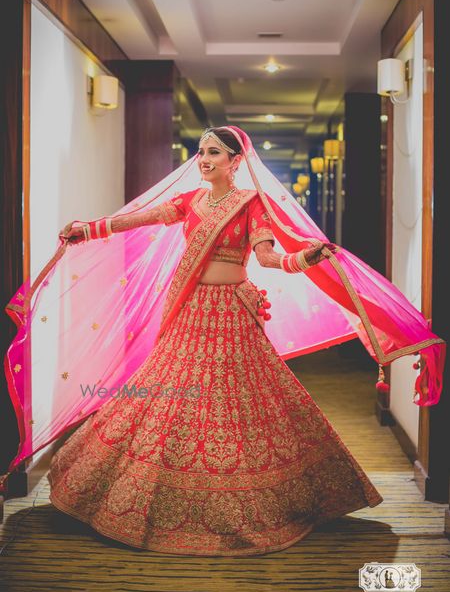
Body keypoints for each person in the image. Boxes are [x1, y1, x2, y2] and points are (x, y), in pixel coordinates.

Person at [45, 127, 384, 556]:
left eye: (214, 154)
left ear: (235, 162)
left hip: (231, 314)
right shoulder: (189, 202)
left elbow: (266, 258)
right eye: (201, 152)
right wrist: (89, 229)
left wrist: (304, 258)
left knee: (237, 402)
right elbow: (141, 218)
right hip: (190, 310)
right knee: (168, 397)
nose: (203, 160)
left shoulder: (250, 204)